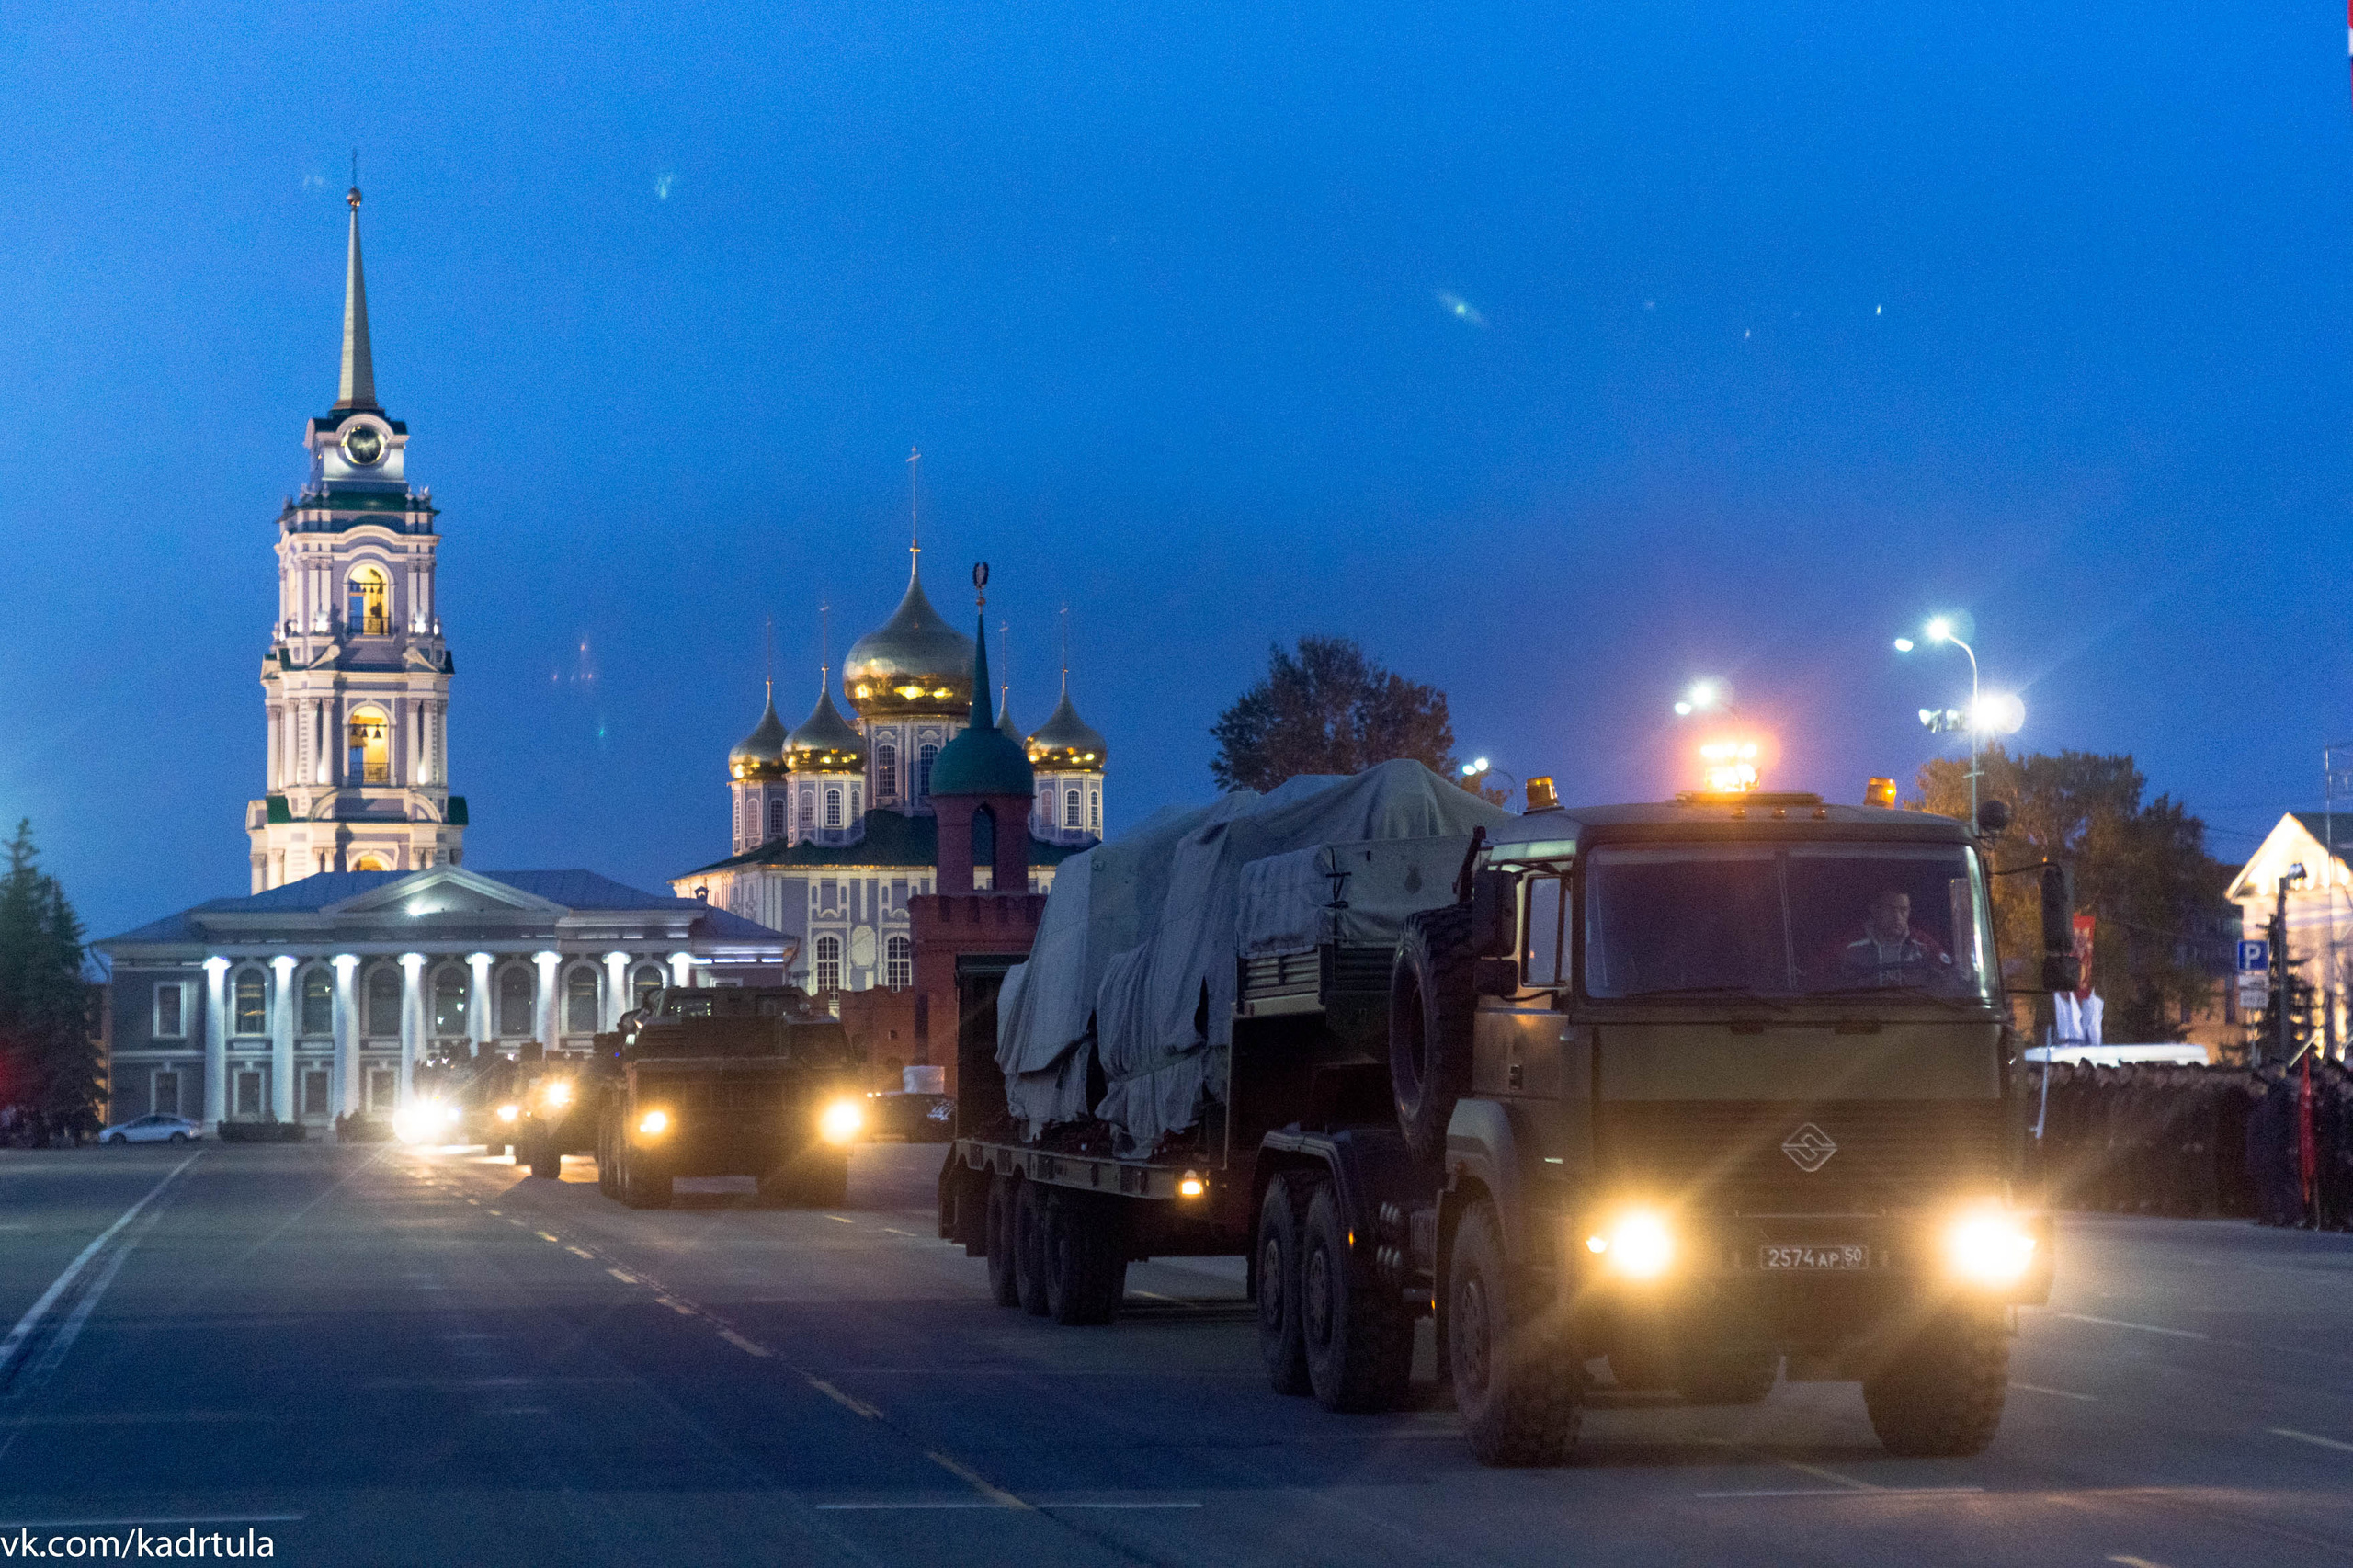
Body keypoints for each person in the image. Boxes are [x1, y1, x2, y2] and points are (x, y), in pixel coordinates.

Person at [1832, 890, 1954, 989]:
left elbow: (1951, 976)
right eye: (1890, 910)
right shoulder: (1850, 945)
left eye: (1903, 910)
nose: (1898, 917)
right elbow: (1820, 977)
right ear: (1875, 910)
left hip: (1915, 1012)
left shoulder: (1924, 944)